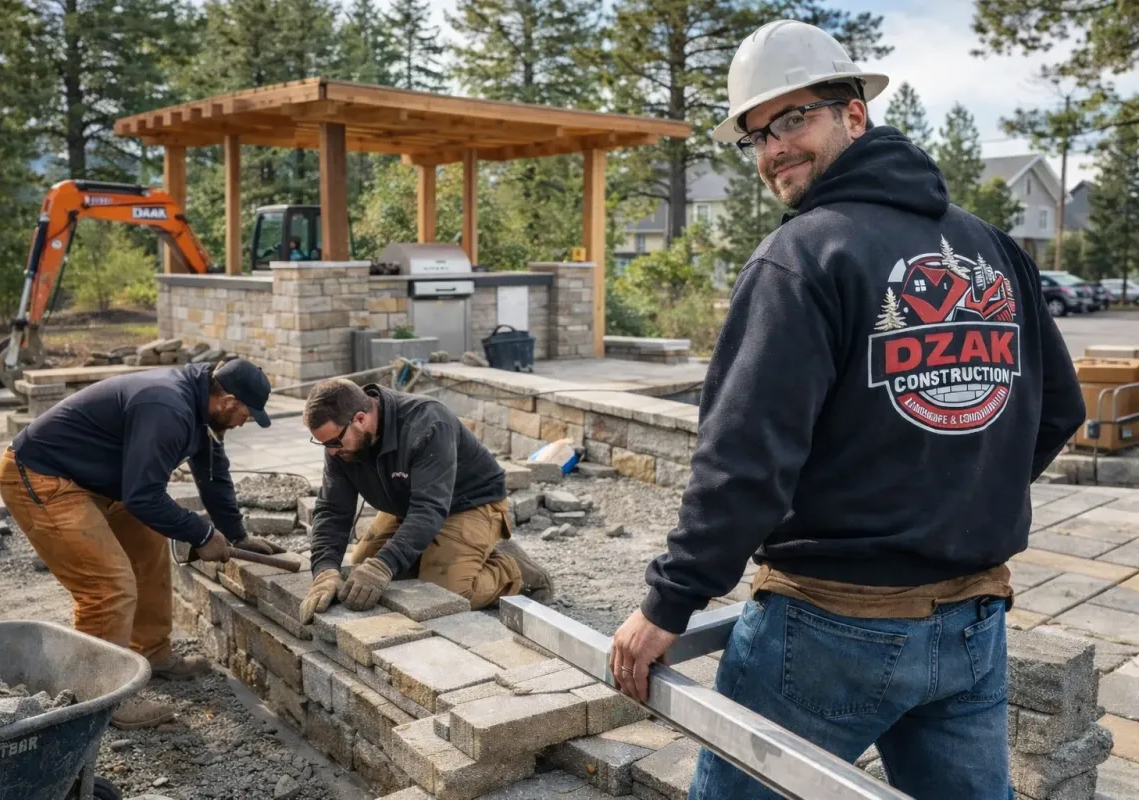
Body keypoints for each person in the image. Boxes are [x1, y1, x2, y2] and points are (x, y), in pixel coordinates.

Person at [607, 19, 1085, 800]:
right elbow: (1056, 413)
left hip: (829, 631)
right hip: (971, 628)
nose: (773, 150)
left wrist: (669, 601)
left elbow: (743, 463)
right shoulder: (992, 248)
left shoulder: (802, 257)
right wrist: (955, 496)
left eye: (793, 119)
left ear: (854, 115)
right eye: (756, 135)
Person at [0, 358, 286, 730]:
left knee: (149, 548)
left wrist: (236, 534)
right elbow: (143, 497)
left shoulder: (200, 408)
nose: (246, 421)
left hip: (97, 480)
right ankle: (103, 696)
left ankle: (151, 654)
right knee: (108, 586)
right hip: (42, 476)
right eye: (247, 413)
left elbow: (212, 474)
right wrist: (200, 533)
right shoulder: (167, 407)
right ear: (227, 400)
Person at [296, 378, 553, 623]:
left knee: (443, 590)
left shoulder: (427, 423)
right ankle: (447, 554)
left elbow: (429, 509)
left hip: (469, 504)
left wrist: (385, 565)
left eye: (333, 442)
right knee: (363, 566)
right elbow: (332, 509)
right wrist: (325, 569)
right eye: (324, 444)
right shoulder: (342, 443)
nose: (331, 451)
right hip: (411, 504)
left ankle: (515, 569)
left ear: (361, 419)